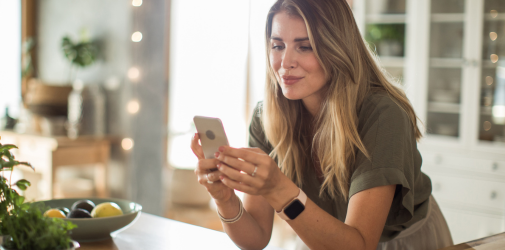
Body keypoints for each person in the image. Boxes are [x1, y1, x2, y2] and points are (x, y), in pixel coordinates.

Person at [191, 0, 454, 249]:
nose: (285, 63)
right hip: (321, 236)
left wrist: (278, 188)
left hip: (400, 243)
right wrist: (224, 198)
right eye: (278, 45)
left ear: (337, 48)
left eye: (304, 46)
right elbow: (256, 238)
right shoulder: (267, 117)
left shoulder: (382, 116)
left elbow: (360, 244)